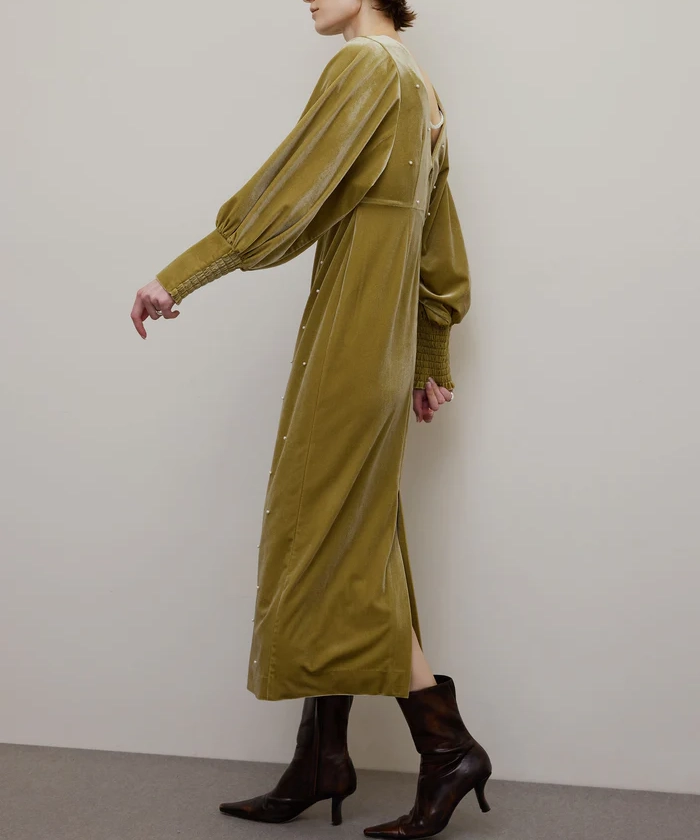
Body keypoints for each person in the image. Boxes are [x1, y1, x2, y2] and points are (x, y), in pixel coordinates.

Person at [130, 1, 492, 837]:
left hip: (351, 344)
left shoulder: (364, 69)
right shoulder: (423, 90)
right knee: (348, 539)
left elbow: (288, 193)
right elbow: (438, 242)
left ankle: (447, 748)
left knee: (332, 543)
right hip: (382, 351)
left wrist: (180, 275)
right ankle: (322, 759)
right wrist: (430, 358)